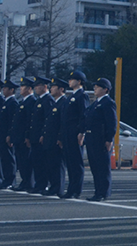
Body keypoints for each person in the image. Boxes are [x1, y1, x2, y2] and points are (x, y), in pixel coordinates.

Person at [84, 78, 117, 201]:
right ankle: (98, 191)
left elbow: (112, 122)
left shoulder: (108, 103)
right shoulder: (96, 103)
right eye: (95, 86)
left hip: (101, 139)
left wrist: (109, 139)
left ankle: (104, 192)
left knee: (102, 167)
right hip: (92, 138)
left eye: (98, 87)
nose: (95, 89)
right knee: (95, 167)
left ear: (106, 89)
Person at [61, 71, 88, 199]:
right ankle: (71, 188)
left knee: (76, 162)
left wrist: (81, 132)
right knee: (70, 162)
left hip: (75, 132)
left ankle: (76, 189)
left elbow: (83, 115)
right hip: (67, 132)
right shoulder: (71, 96)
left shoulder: (81, 96)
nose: (70, 81)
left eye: (73, 79)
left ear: (79, 81)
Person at [8, 78, 37, 191]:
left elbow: (29, 121)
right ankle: (24, 182)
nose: (21, 88)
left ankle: (29, 182)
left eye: (23, 86)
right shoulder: (23, 102)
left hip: (24, 137)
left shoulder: (31, 102)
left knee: (26, 161)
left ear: (30, 89)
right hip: (18, 137)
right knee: (21, 162)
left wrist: (26, 136)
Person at [42, 78, 69, 197]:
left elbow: (62, 122)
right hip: (49, 138)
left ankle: (58, 188)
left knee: (57, 165)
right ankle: (53, 186)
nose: (51, 89)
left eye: (54, 87)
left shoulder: (64, 102)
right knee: (50, 164)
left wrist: (60, 137)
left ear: (61, 89)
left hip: (56, 139)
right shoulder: (56, 102)